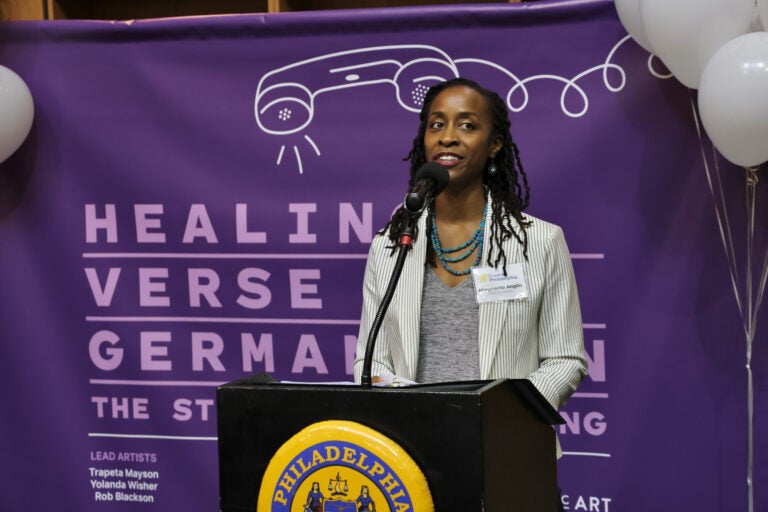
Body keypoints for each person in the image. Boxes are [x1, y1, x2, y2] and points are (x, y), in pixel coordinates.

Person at [353, 76, 587, 432]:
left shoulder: (540, 241)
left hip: (506, 449)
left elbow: (565, 359)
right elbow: (371, 363)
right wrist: (425, 413)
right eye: (436, 124)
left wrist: (501, 415)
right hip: (410, 447)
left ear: (494, 144)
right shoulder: (390, 246)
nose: (448, 136)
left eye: (467, 125)